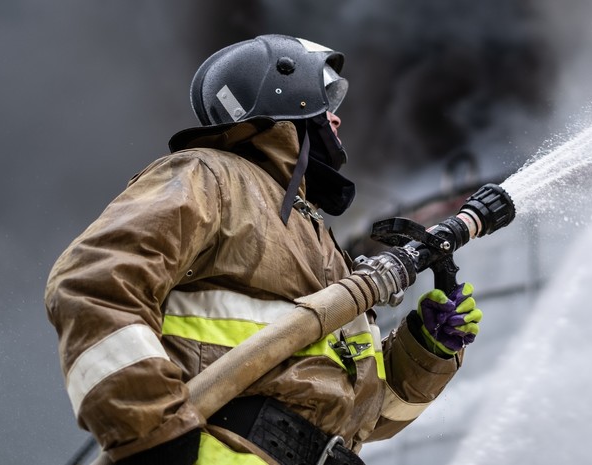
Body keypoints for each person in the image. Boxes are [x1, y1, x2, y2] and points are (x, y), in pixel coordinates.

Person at [45, 34, 483, 465]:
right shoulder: (209, 175)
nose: (337, 119)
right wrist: (155, 438)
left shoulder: (320, 242)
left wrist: (427, 349)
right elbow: (93, 284)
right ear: (287, 91)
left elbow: (362, 414)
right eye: (327, 99)